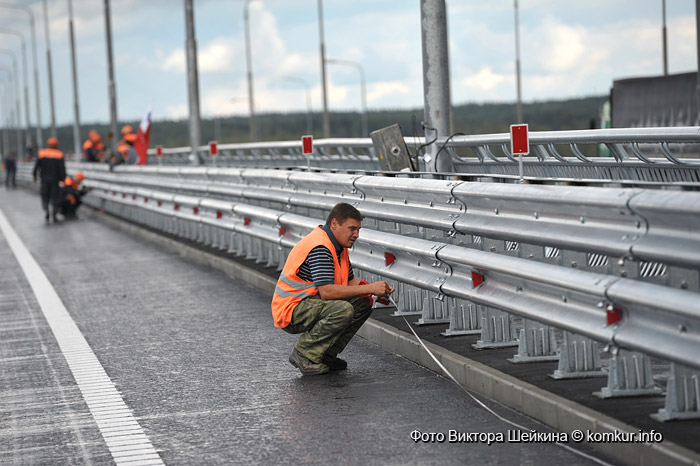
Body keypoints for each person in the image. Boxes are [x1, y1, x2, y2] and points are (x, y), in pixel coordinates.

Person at [271, 202, 394, 375]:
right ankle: (304, 354)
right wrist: (371, 288)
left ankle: (325, 354)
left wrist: (372, 290)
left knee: (363, 301)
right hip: (291, 309)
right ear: (334, 223)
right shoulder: (321, 247)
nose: (356, 234)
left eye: (358, 229)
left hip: (309, 303)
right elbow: (328, 292)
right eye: (352, 229)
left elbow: (349, 281)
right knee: (342, 310)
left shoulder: (337, 245)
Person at [33, 137, 66, 223]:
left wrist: (34, 176)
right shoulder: (59, 154)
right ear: (56, 145)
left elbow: (36, 166)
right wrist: (63, 179)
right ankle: (54, 215)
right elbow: (62, 168)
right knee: (55, 198)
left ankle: (46, 210)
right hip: (55, 181)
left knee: (44, 197)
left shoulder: (41, 153)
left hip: (44, 180)